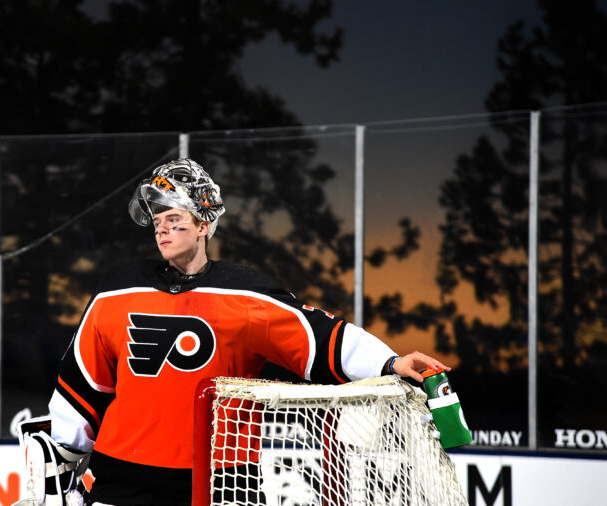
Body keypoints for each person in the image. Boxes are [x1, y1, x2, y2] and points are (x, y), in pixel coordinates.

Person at [30, 158, 450, 506]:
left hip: (223, 483)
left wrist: (390, 361)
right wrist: (63, 459)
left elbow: (319, 336)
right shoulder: (116, 292)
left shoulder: (245, 292)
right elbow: (82, 383)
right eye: (157, 220)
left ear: (203, 225)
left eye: (174, 219)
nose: (161, 228)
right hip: (123, 480)